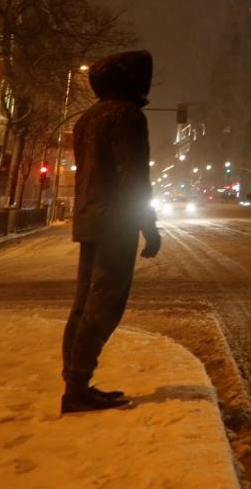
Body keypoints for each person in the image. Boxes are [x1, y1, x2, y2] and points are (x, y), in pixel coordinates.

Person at [61, 50, 160, 415]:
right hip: (116, 222)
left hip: (89, 218)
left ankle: (75, 380)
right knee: (105, 303)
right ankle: (77, 387)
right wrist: (148, 225)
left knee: (84, 302)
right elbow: (133, 177)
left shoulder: (88, 118)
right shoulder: (127, 115)